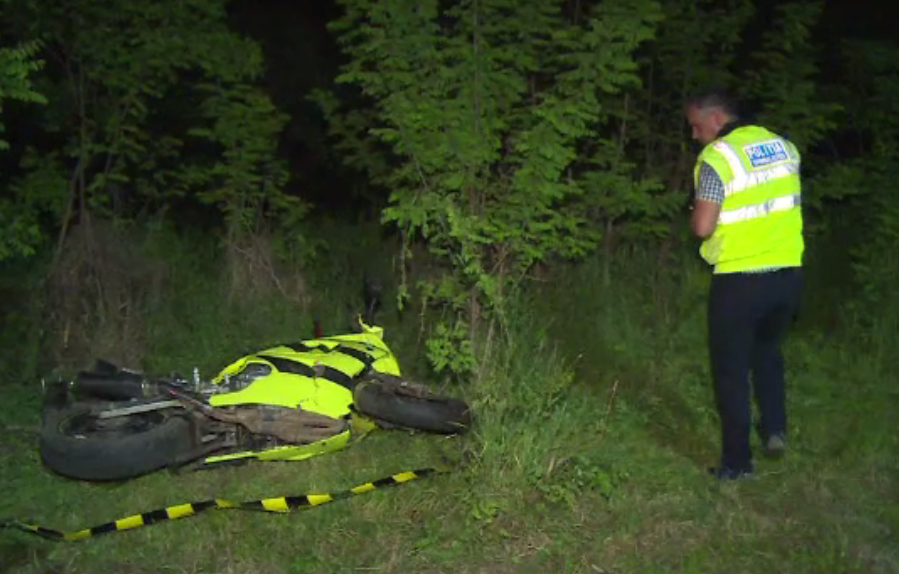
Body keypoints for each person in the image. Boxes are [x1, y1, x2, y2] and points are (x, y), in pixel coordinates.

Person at [685, 89, 804, 480]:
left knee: (731, 370)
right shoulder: (784, 148)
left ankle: (737, 464)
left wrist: (693, 212)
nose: (694, 135)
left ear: (716, 118)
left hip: (740, 280)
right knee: (767, 350)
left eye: (696, 126)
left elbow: (703, 227)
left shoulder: (719, 158)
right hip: (787, 274)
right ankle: (774, 428)